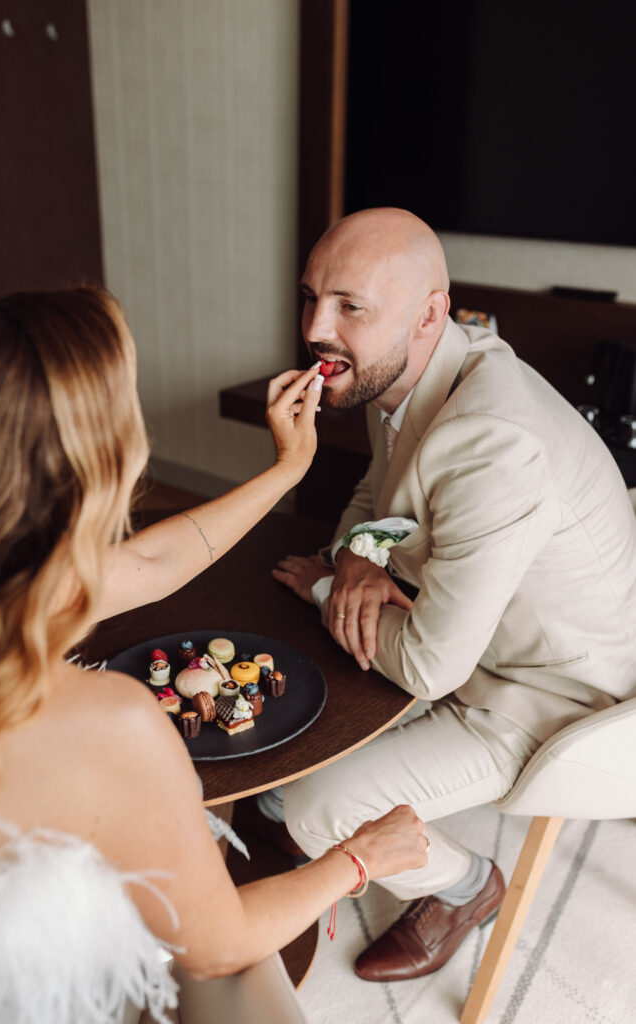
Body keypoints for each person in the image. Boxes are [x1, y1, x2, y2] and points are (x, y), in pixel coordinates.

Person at [0, 285, 430, 1023]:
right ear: (101, 465)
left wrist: (286, 470)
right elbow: (217, 945)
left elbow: (151, 563)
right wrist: (361, 857)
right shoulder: (111, 724)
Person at [273, 207, 636, 983]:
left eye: (348, 306)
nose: (314, 329)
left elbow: (429, 665)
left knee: (310, 806)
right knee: (288, 723)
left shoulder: (491, 440)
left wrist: (328, 585)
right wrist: (361, 557)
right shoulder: (421, 367)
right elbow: (374, 495)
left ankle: (467, 886)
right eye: (310, 298)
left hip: (550, 699)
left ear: (427, 314)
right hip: (468, 632)